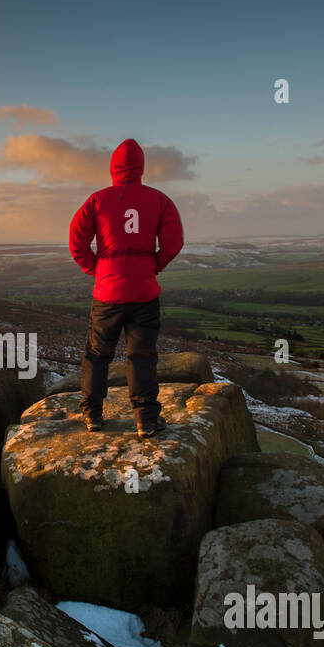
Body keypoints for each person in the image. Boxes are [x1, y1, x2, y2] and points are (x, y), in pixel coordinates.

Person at [68, 138, 184, 437]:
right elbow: (173, 242)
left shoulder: (97, 200)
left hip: (107, 292)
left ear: (113, 167)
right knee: (142, 355)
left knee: (97, 354)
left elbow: (76, 241)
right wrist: (154, 265)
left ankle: (93, 415)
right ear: (142, 167)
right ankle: (146, 419)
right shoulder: (160, 200)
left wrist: (97, 269)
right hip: (144, 291)